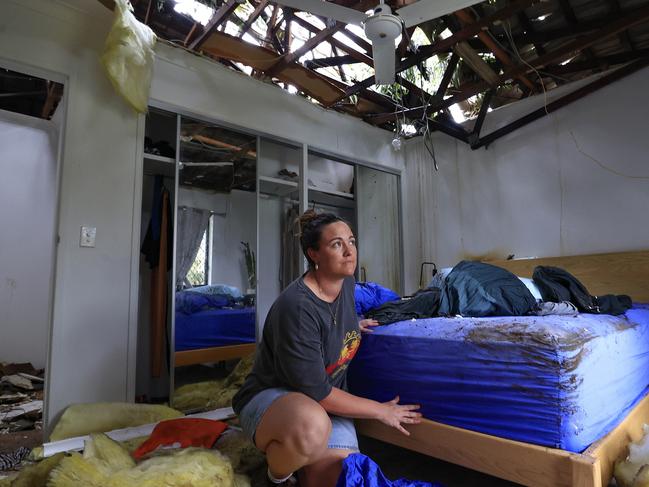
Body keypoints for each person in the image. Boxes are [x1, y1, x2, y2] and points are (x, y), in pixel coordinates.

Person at [232, 210, 421, 487]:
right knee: (312, 429)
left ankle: (296, 459)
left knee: (341, 479)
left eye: (352, 241)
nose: (349, 251)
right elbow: (317, 392)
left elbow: (331, 319)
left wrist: (354, 324)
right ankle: (275, 478)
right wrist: (381, 411)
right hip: (275, 398)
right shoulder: (296, 308)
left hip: (324, 404)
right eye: (336, 244)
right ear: (314, 254)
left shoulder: (346, 284)